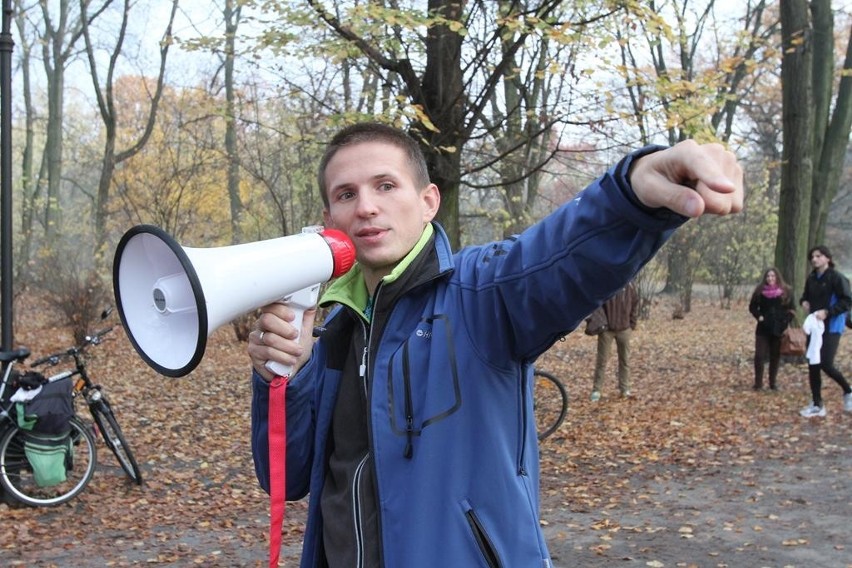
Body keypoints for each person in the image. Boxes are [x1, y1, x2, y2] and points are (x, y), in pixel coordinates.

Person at [247, 122, 743, 567]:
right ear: (330, 217)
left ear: (428, 201)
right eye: (346, 194)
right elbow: (286, 480)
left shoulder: (479, 291)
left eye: (385, 185)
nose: (367, 206)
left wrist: (629, 197)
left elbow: (557, 259)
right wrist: (285, 378)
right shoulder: (333, 333)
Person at [798, 245, 852, 417]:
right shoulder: (812, 278)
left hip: (832, 326)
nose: (814, 259)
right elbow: (805, 296)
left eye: (818, 256)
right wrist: (804, 302)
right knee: (813, 363)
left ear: (827, 258)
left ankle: (848, 390)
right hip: (815, 327)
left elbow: (847, 301)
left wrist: (828, 312)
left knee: (825, 363)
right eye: (812, 257)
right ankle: (817, 404)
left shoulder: (837, 278)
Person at [590, 282, 639, 401]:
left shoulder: (631, 287)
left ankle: (625, 389)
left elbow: (635, 304)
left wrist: (632, 324)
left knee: (625, 360)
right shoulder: (607, 285)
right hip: (607, 330)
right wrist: (602, 325)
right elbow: (597, 306)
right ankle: (597, 390)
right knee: (602, 360)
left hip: (624, 329)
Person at [748, 267, 794, 391]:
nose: (770, 279)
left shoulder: (786, 291)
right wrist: (759, 316)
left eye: (773, 276)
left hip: (779, 328)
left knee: (775, 356)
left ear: (777, 277)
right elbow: (752, 307)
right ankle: (758, 384)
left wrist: (785, 321)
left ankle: (772, 383)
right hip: (763, 328)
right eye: (768, 276)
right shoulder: (759, 291)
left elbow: (792, 309)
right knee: (759, 356)